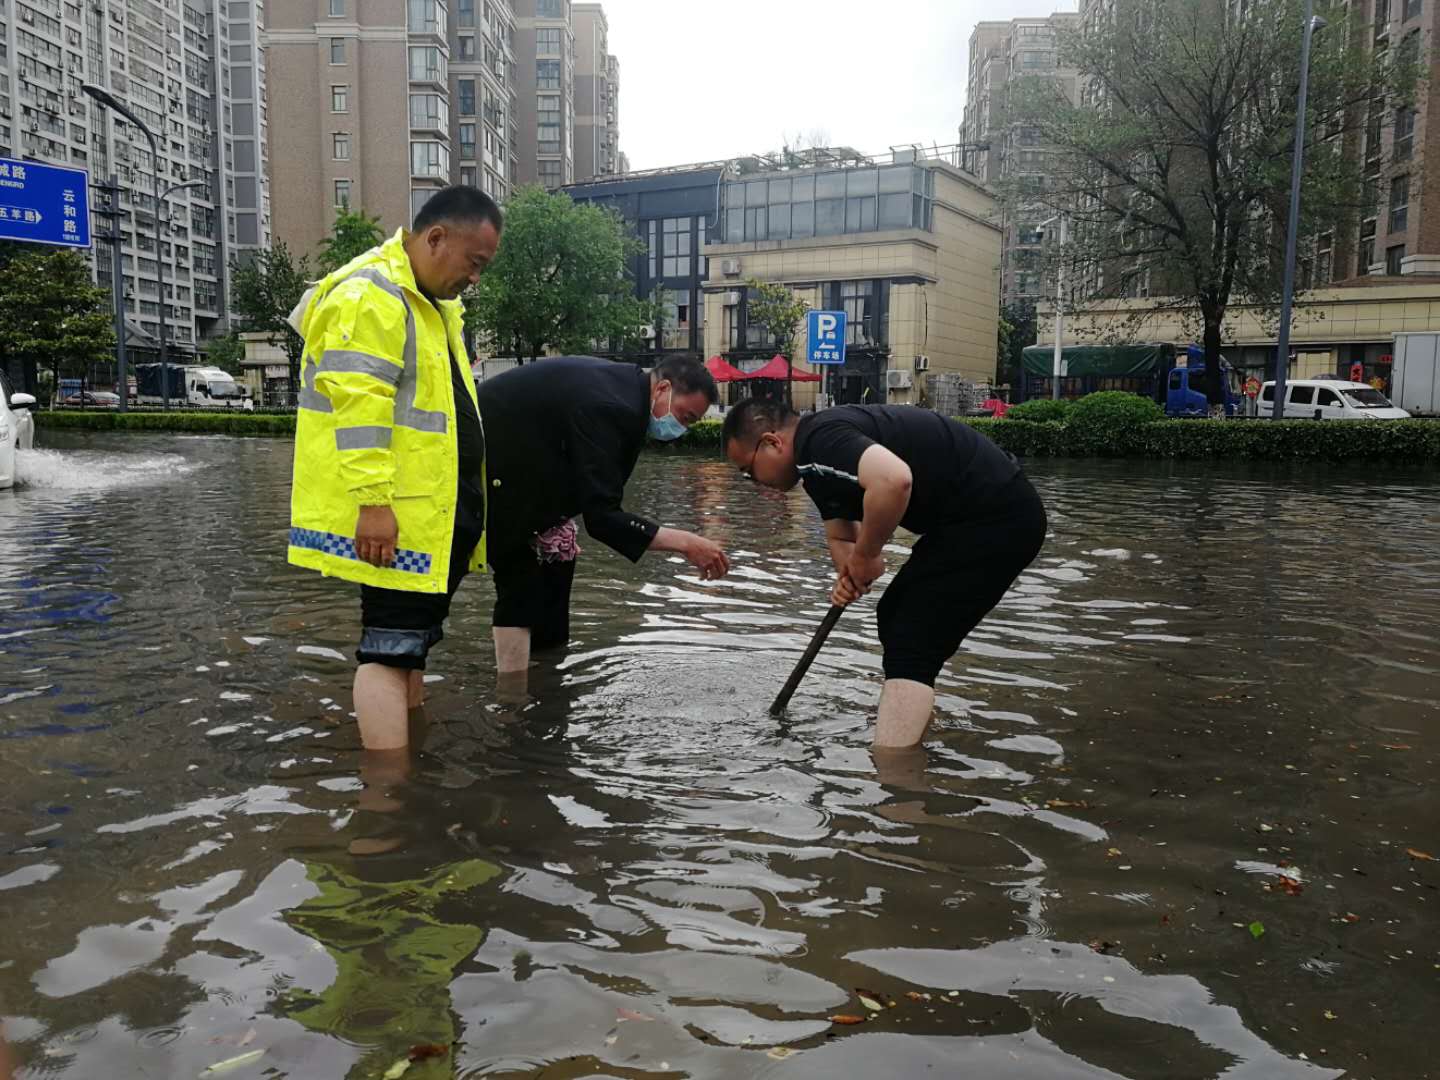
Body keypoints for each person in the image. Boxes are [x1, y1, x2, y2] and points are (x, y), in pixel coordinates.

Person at [288, 186, 502, 752]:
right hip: (398, 516)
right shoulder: (372, 295)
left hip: (429, 514)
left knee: (411, 646)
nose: (475, 278)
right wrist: (374, 504)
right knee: (387, 649)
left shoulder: (428, 305)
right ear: (436, 237)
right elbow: (360, 409)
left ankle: (411, 761)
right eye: (473, 263)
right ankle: (387, 790)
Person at [722, 398, 1047, 749]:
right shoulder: (814, 468)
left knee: (910, 632)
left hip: (997, 514)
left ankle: (894, 767)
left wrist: (868, 554)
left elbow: (894, 480)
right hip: (970, 520)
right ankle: (915, 731)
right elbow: (842, 536)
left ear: (772, 442)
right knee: (895, 614)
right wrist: (850, 576)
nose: (754, 482)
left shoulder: (820, 439)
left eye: (748, 470)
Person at [477, 354, 730, 678]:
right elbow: (602, 519)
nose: (681, 428)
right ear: (663, 389)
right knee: (519, 581)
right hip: (481, 466)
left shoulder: (627, 393)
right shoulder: (614, 407)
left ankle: (546, 683)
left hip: (524, 470)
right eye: (685, 416)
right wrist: (686, 543)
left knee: (556, 561)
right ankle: (513, 695)